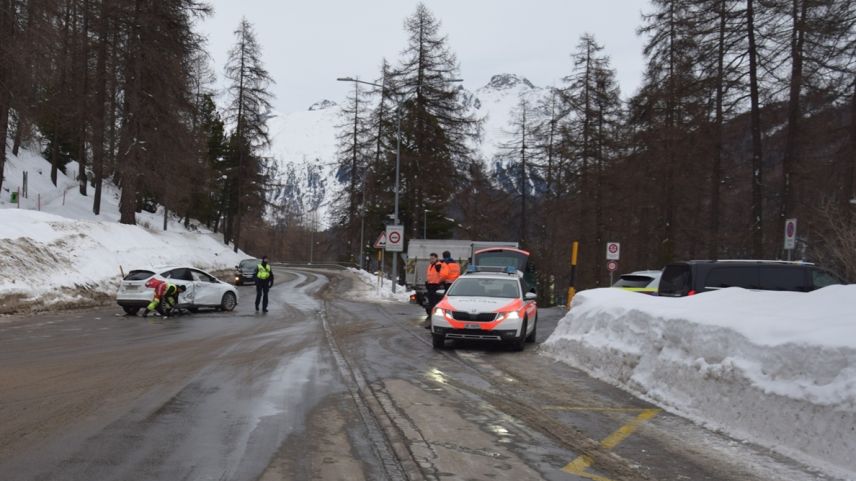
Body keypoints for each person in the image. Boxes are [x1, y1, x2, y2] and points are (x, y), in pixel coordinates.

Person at [424, 252, 443, 322]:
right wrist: (427, 282)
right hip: (430, 285)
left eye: (433, 258)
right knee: (431, 302)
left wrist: (440, 283)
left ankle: (434, 317)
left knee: (434, 302)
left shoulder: (438, 265)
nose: (431, 260)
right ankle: (431, 316)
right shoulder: (430, 265)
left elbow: (442, 274)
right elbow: (430, 275)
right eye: (430, 258)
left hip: (435, 286)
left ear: (436, 258)